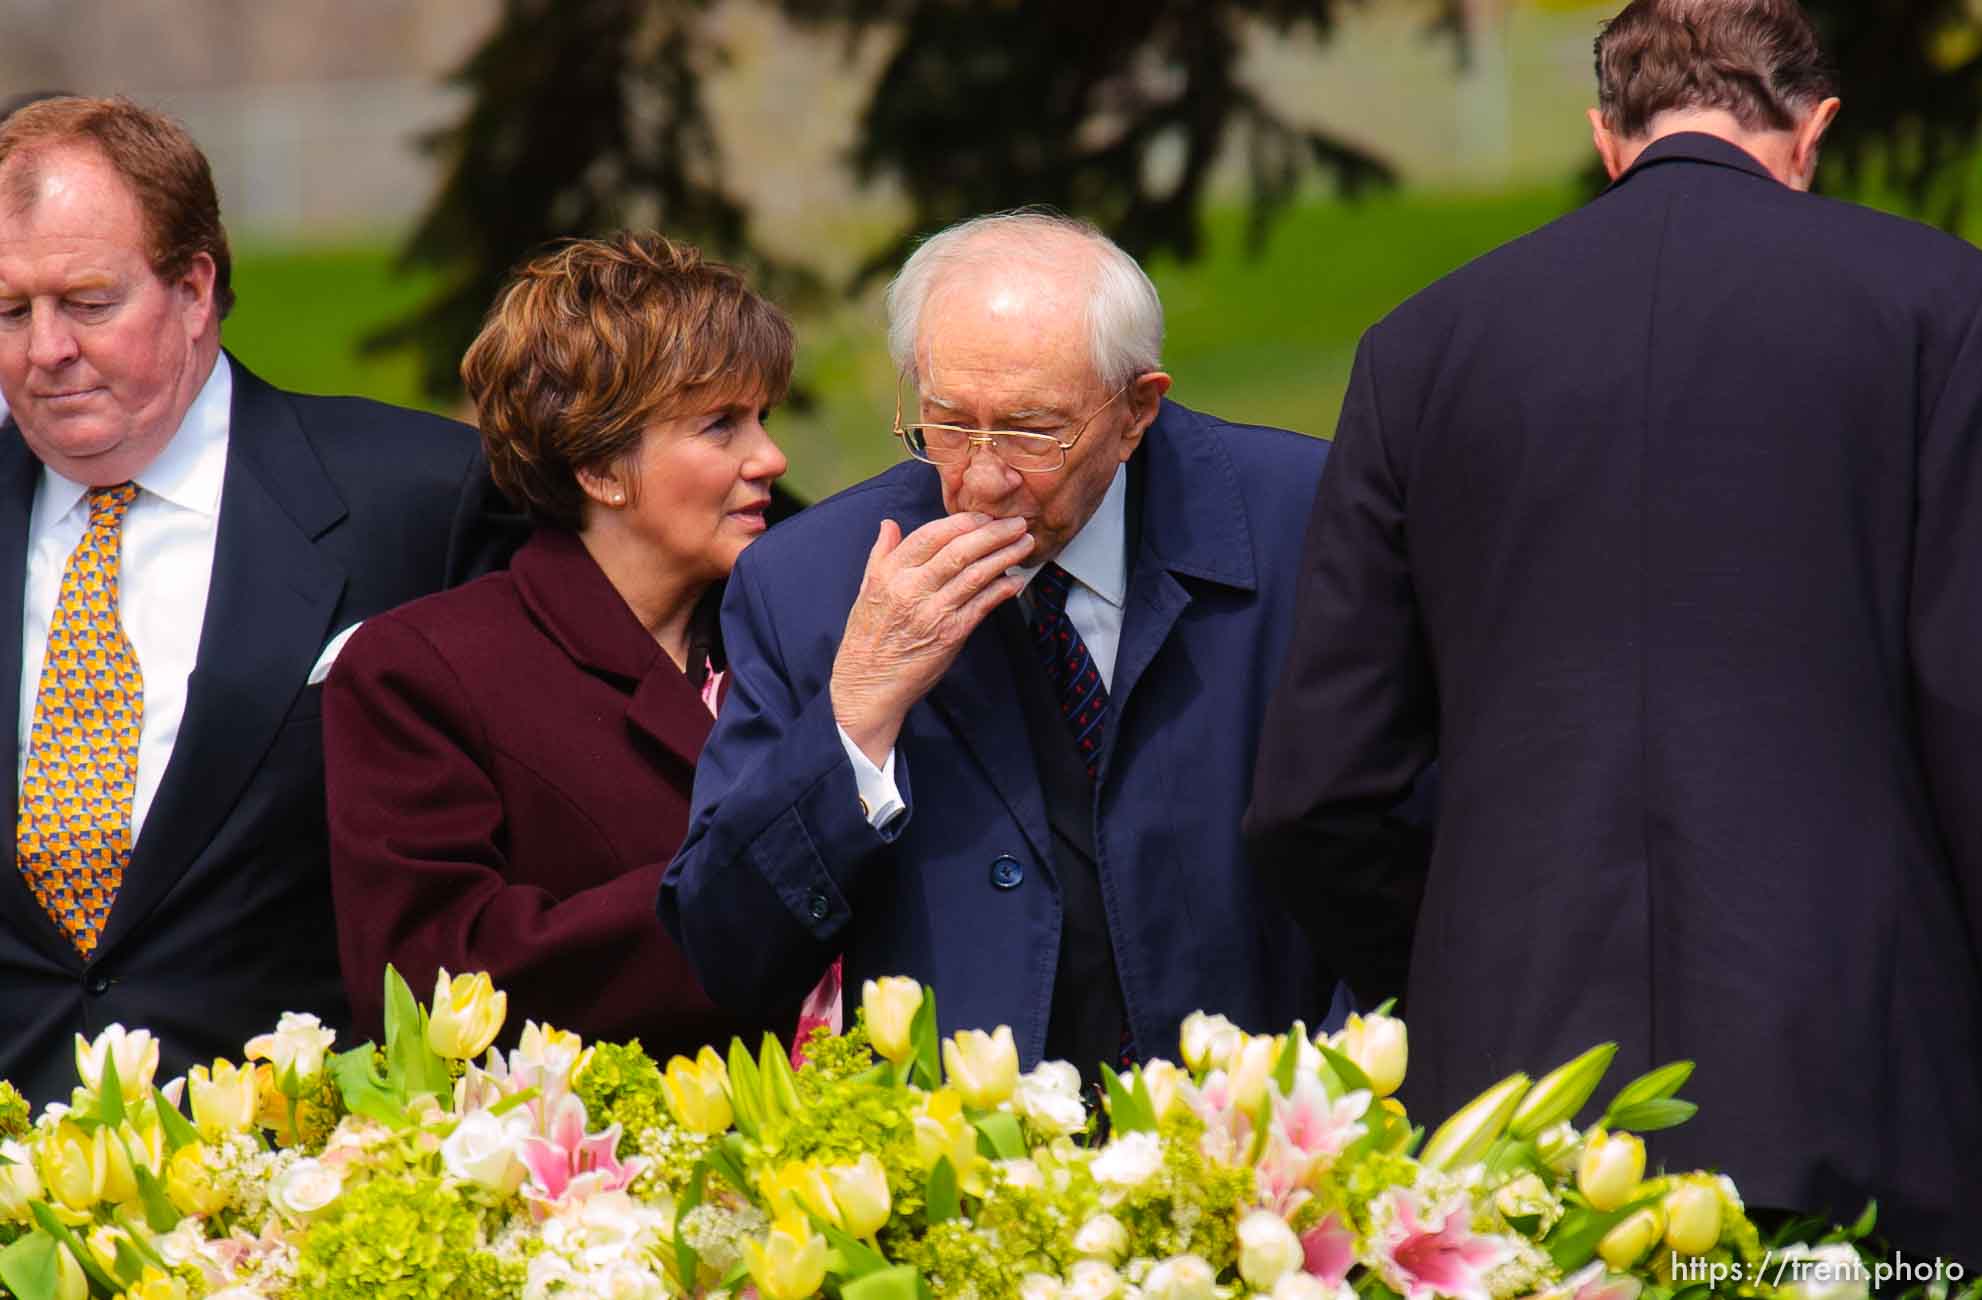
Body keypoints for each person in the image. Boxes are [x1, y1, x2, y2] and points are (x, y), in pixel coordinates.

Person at [1244, 0, 1982, 1260]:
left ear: (1604, 136)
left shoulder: (1419, 346)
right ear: (1812, 129)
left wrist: (1467, 955)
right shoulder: (1942, 304)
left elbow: (1316, 792)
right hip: (1860, 1062)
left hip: (1511, 1086)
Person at [661, 211, 1346, 1086]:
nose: (981, 479)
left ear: (1139, 408)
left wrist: (1326, 1098)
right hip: (961, 1176)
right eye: (946, 422)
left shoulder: (1305, 520)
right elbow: (726, 947)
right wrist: (855, 714)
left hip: (1264, 1146)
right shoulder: (808, 583)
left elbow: (1410, 857)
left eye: (1030, 432)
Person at [0, 96, 509, 1104]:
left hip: (298, 1181)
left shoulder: (416, 501)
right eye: (9, 311)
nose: (44, 347)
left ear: (194, 288)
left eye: (88, 302)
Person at [325, 233, 804, 1058]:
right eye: (721, 425)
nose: (771, 457)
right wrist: (764, 872)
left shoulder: (801, 631)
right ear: (601, 469)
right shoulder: (420, 670)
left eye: (762, 417)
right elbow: (437, 984)